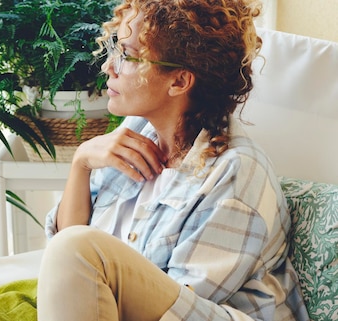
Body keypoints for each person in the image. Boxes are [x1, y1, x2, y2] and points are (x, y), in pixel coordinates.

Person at [36, 0, 310, 321]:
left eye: (127, 55)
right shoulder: (135, 134)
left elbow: (172, 304)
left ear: (178, 81)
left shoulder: (236, 172)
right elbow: (67, 266)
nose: (108, 67)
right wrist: (81, 162)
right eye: (115, 48)